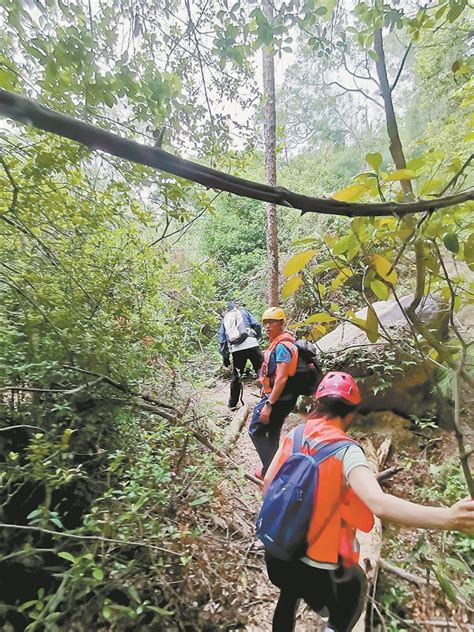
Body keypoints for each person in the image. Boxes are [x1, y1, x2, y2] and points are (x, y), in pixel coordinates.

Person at [262, 371, 474, 632]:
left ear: (317, 404)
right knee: (353, 591)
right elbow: (379, 504)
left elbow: (267, 484)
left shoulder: (294, 434)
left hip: (276, 554)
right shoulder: (347, 451)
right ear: (352, 412)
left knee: (288, 594)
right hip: (318, 570)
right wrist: (449, 518)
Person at [249, 307, 299, 480]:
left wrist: (269, 405)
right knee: (273, 431)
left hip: (278, 398)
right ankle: (275, 468)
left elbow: (282, 378)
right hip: (285, 397)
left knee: (255, 430)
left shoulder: (283, 347)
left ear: (282, 324)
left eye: (272, 323)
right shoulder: (281, 343)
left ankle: (271, 471)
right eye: (266, 323)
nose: (268, 326)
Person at [218, 301, 263, 410]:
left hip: (237, 350)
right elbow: (257, 325)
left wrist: (226, 357)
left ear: (225, 310)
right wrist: (255, 338)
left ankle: (232, 403)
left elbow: (222, 340)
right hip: (252, 345)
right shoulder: (244, 312)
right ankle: (268, 398)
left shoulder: (226, 319)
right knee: (262, 371)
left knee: (236, 376)